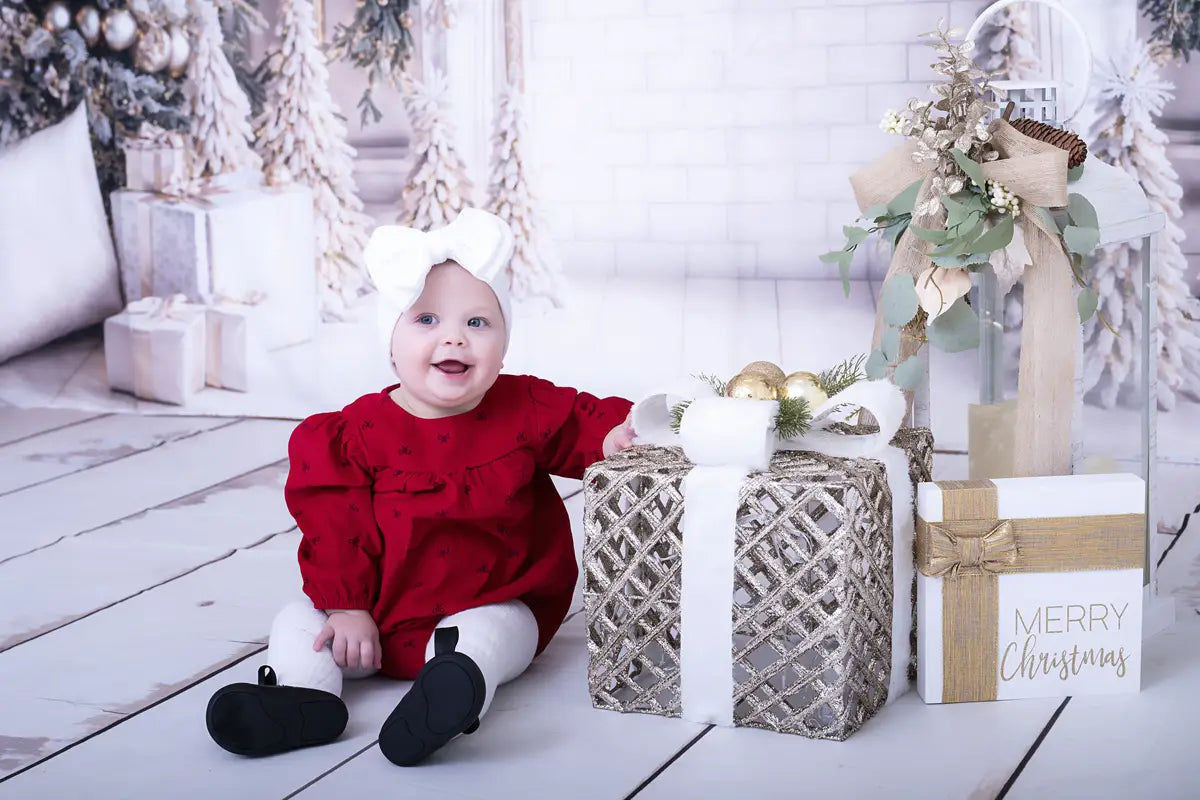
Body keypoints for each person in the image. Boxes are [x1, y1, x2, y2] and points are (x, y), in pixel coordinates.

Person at [205, 209, 635, 766]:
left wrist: (619, 433)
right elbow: (334, 525)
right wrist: (346, 607)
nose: (453, 336)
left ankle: (456, 689)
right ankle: (301, 694)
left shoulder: (523, 406)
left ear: (504, 343)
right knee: (299, 619)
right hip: (371, 624)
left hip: (485, 602)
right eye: (426, 319)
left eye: (478, 322)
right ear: (390, 340)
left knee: (502, 627)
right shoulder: (353, 435)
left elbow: (582, 422)